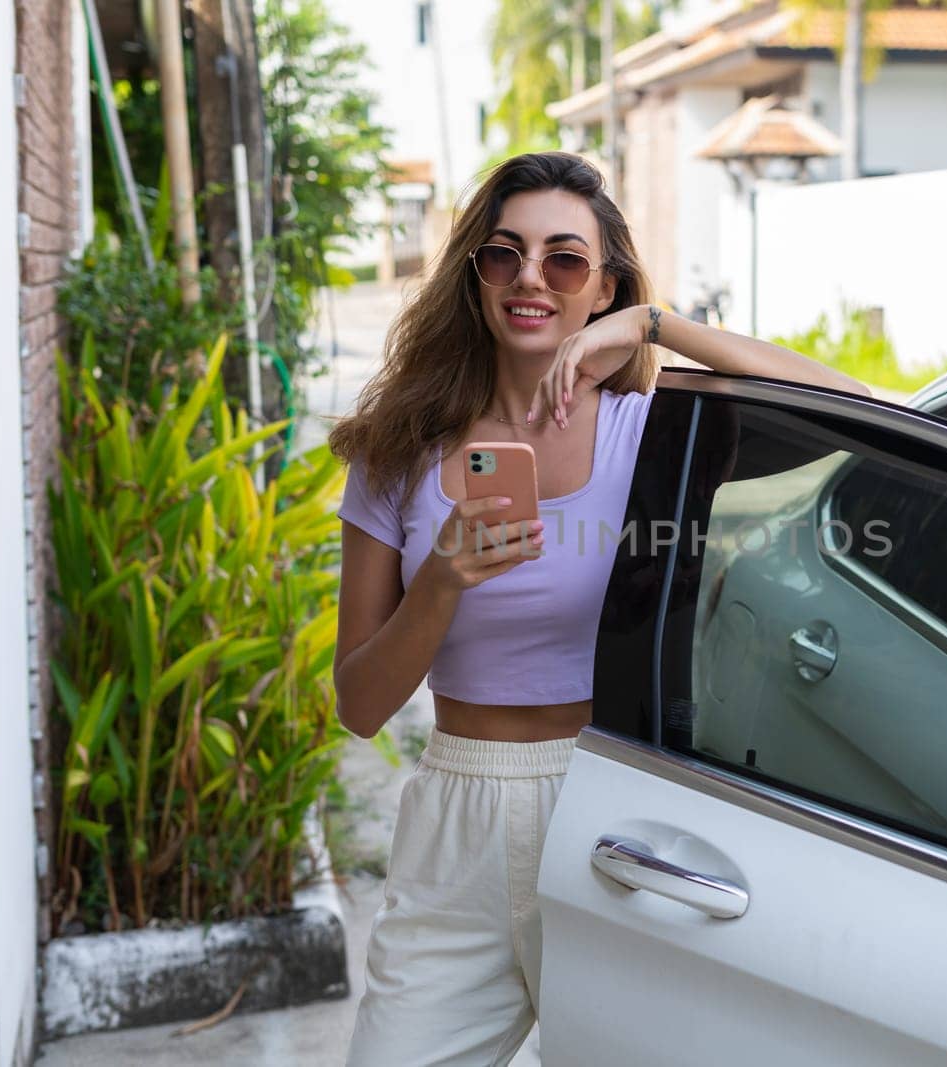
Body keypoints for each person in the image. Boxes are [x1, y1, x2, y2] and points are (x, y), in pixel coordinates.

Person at [329, 151, 869, 1066]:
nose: (530, 277)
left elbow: (858, 411)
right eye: (504, 254)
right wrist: (440, 585)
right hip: (458, 810)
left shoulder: (651, 434)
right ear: (476, 276)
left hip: (612, 809)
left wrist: (659, 327)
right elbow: (359, 705)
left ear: (603, 286)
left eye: (564, 259)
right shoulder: (399, 453)